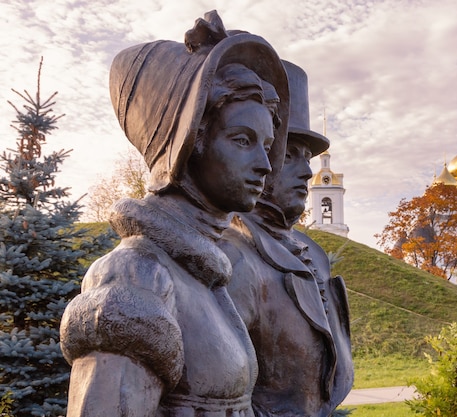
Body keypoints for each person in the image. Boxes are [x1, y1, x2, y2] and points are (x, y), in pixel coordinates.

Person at [59, 11, 289, 417]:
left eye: (266, 145)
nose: (265, 165)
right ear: (190, 144)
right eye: (242, 140)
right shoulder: (138, 274)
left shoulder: (202, 273)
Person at [220, 61, 353, 417]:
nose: (307, 171)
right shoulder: (229, 256)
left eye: (307, 157)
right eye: (290, 154)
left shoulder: (314, 253)